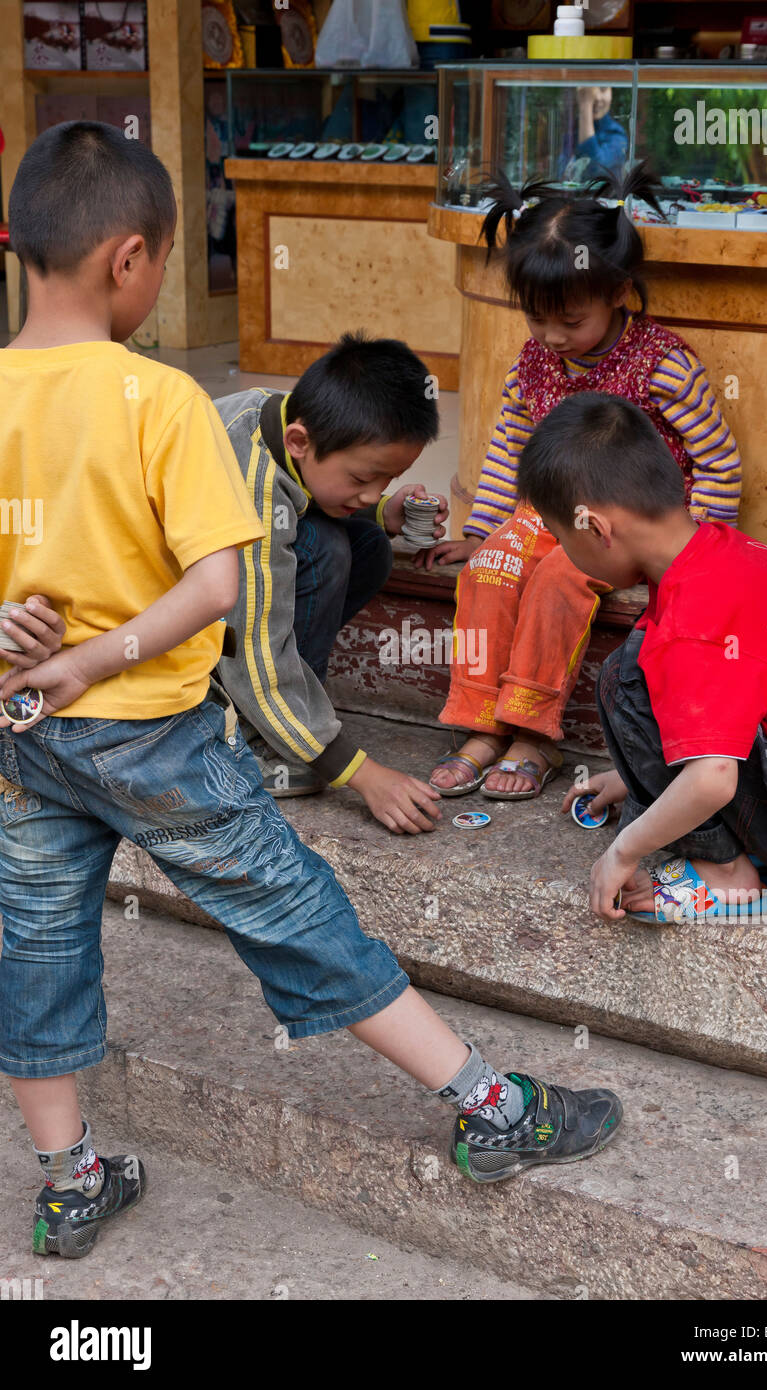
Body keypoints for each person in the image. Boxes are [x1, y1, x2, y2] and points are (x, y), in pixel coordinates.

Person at [0, 122, 624, 1259]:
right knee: (298, 913)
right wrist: (103, 654)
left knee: (35, 949)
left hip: (25, 736)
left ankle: (71, 1176)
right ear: (130, 260)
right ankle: (493, 1108)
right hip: (148, 736)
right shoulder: (160, 401)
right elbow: (218, 585)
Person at [423, 164, 742, 803]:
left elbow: (720, 464)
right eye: (538, 320)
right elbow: (508, 445)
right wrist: (483, 532)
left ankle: (532, 732)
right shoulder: (535, 360)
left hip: (629, 527)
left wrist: (686, 559)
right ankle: (482, 721)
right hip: (551, 516)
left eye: (569, 320)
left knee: (556, 580)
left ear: (619, 292)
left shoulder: (663, 366)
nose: (551, 337)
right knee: (490, 568)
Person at [516, 392, 767, 922]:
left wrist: (624, 851)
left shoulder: (692, 623)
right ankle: (682, 816)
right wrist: (634, 779)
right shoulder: (721, 550)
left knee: (625, 679)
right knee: (644, 663)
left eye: (562, 537)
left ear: (596, 528)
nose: (566, 552)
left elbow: (713, 778)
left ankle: (726, 874)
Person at [213, 334, 448, 836]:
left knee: (368, 544)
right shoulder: (250, 488)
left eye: (386, 480)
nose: (372, 491)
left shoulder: (280, 421)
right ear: (299, 441)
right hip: (161, 624)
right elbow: (249, 647)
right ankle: (253, 735)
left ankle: (291, 713)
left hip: (218, 599)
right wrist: (359, 772)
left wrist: (384, 511)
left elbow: (307, 492)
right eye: (364, 478)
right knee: (326, 550)